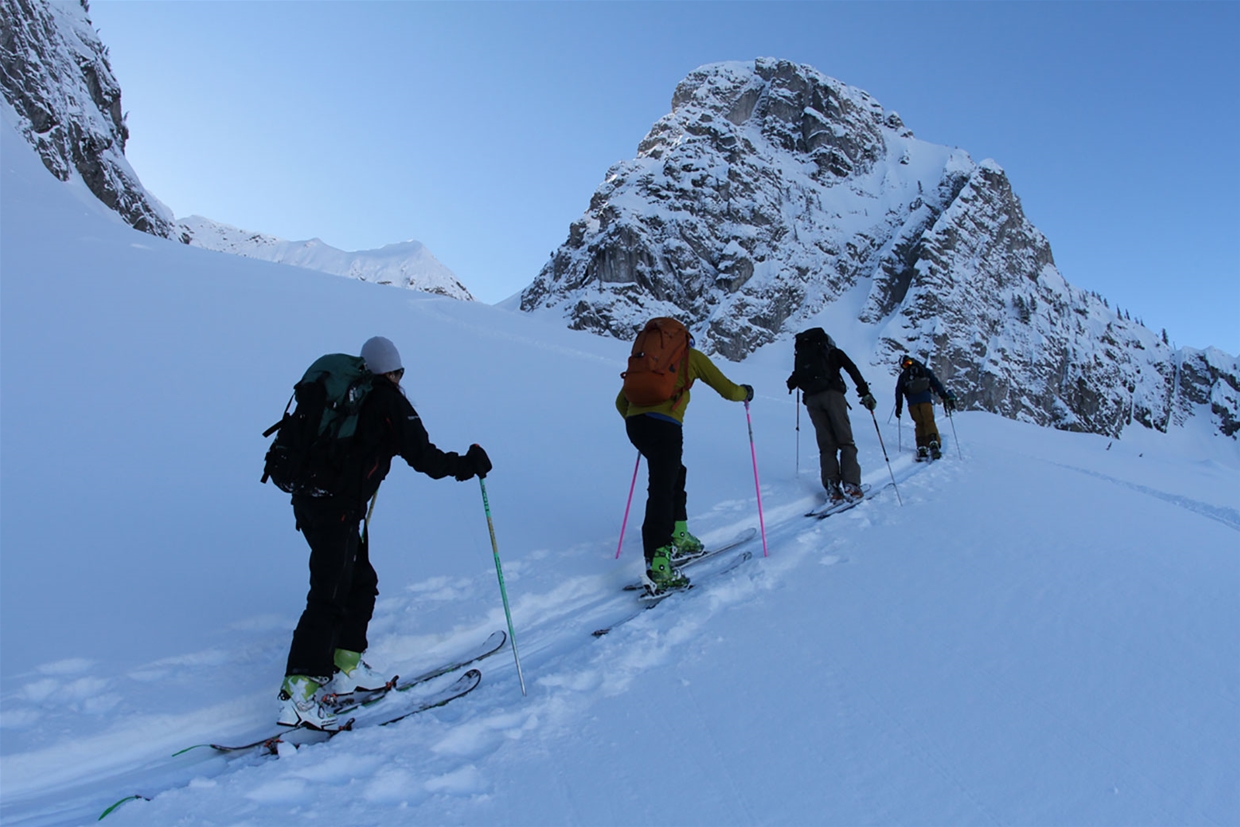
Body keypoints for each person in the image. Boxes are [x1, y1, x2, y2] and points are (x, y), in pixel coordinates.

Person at [278, 336, 492, 729]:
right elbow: (423, 456)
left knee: (359, 581)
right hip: (338, 508)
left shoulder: (343, 395)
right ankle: (299, 693)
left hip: (309, 500)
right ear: (392, 372)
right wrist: (467, 464)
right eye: (399, 372)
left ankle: (346, 666)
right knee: (329, 593)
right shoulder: (388, 401)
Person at [616, 319, 753, 595]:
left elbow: (621, 402)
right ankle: (659, 565)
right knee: (661, 491)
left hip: (637, 425)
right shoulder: (691, 357)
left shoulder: (646, 362)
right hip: (665, 427)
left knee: (675, 474)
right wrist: (746, 393)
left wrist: (640, 425)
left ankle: (680, 536)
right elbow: (728, 390)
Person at [786, 328, 877, 504]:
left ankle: (832, 486)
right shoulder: (832, 352)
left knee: (826, 444)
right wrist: (864, 392)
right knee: (845, 441)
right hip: (832, 396)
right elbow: (852, 369)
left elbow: (792, 381)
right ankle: (851, 485)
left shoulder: (804, 357)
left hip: (812, 401)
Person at [894, 353, 956, 461]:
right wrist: (943, 395)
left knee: (919, 423)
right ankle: (933, 443)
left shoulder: (903, 376)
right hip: (925, 400)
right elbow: (936, 384)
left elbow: (899, 392)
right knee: (929, 421)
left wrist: (899, 407)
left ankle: (921, 446)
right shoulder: (924, 370)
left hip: (912, 403)